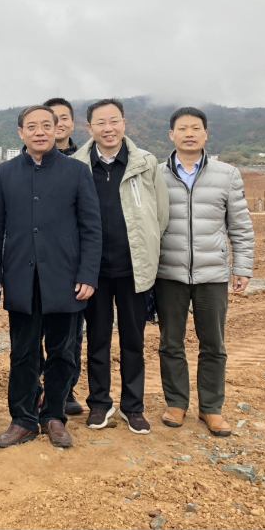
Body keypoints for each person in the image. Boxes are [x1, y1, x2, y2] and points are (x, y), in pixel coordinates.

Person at [0, 105, 100, 450]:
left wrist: (88, 274)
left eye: (46, 126)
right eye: (32, 126)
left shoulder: (76, 171)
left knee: (63, 352)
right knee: (23, 353)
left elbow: (91, 227)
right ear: (20, 132)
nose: (39, 132)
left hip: (65, 280)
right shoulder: (5, 173)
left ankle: (53, 416)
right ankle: (22, 419)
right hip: (21, 279)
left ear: (57, 130)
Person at [72, 99, 168, 434]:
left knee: (133, 340)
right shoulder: (77, 165)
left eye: (114, 121)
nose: (108, 128)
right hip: (93, 271)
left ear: (124, 123)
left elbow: (161, 214)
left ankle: (133, 406)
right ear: (89, 128)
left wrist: (146, 249)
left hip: (133, 269)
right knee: (97, 340)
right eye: (100, 122)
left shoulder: (145, 163)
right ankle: (99, 404)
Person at [156, 107, 254, 438]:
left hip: (212, 275)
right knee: (170, 342)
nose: (189, 133)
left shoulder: (227, 175)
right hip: (168, 273)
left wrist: (242, 267)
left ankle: (211, 407)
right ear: (171, 135)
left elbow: (240, 226)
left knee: (213, 343)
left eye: (195, 128)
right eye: (182, 128)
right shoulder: (157, 175)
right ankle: (176, 403)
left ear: (206, 134)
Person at [41, 98, 83, 415]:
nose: (57, 123)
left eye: (63, 117)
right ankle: (37, 390)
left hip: (70, 265)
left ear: (69, 124)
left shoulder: (82, 163)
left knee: (70, 336)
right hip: (35, 265)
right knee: (31, 338)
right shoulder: (23, 165)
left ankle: (65, 390)